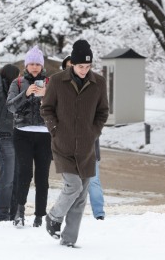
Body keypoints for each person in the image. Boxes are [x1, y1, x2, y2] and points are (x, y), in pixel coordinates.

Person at [41, 40, 109, 247]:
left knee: (81, 197)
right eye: (81, 66)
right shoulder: (57, 81)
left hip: (87, 148)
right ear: (72, 64)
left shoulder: (98, 82)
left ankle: (69, 241)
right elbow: (46, 109)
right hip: (62, 145)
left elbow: (102, 112)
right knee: (74, 186)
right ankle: (53, 217)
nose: (84, 70)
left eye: (88, 67)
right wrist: (55, 130)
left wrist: (93, 132)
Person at [6, 46, 51, 228]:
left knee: (43, 176)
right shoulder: (17, 83)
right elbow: (10, 106)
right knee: (24, 173)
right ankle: (19, 211)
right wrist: (25, 94)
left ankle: (40, 215)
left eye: (37, 64)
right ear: (26, 65)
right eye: (31, 64)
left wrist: (46, 96)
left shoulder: (50, 82)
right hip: (22, 134)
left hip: (45, 135)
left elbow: (59, 107)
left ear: (42, 66)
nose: (34, 67)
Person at [62, 55, 105, 221]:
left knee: (93, 180)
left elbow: (100, 113)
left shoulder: (92, 87)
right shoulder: (61, 88)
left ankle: (99, 213)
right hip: (67, 147)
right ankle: (68, 214)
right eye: (67, 67)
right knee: (71, 183)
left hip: (89, 144)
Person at [0, 63, 21, 221]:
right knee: (6, 179)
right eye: (16, 75)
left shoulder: (17, 92)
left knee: (16, 178)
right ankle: (1, 214)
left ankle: (13, 213)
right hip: (4, 138)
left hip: (18, 138)